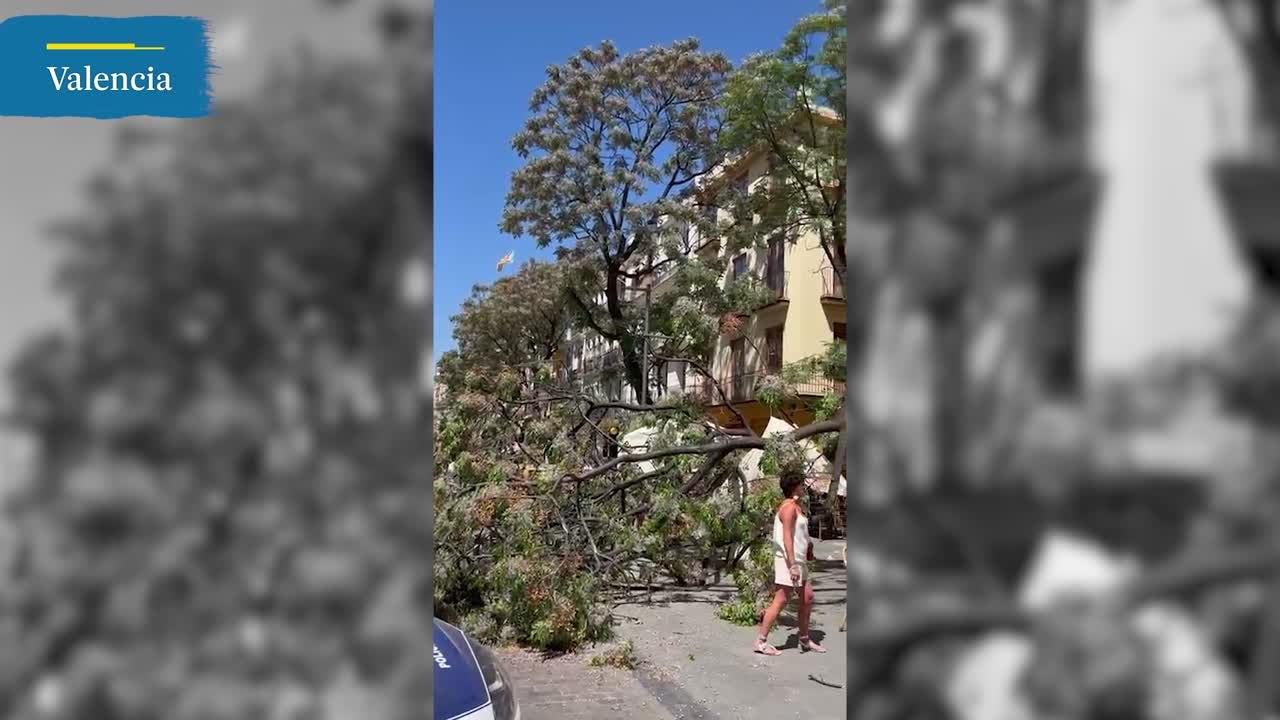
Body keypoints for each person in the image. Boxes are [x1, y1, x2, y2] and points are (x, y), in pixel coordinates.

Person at [754, 469, 826, 655]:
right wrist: (792, 565)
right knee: (781, 599)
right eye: (801, 485)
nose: (804, 488)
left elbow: (798, 534)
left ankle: (804, 639)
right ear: (794, 487)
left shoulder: (796, 506)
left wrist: (808, 546)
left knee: (807, 597)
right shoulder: (788, 508)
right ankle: (761, 642)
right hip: (788, 561)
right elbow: (786, 538)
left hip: (799, 560)